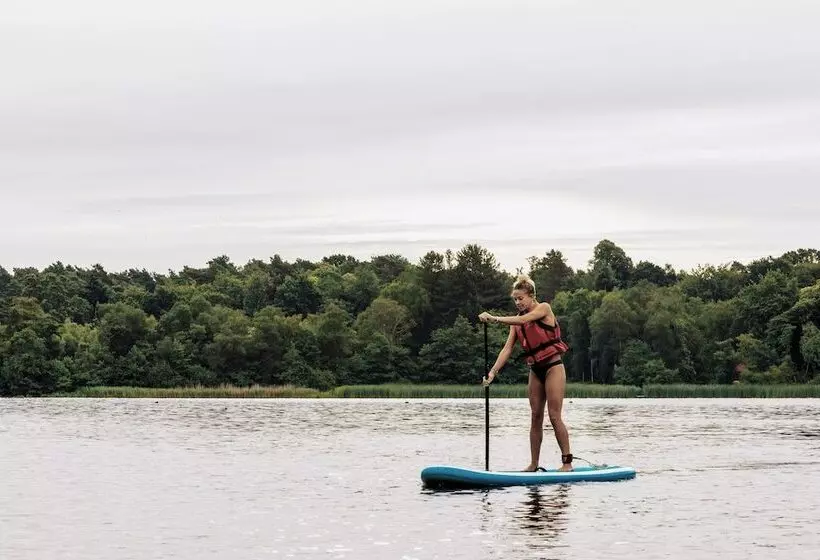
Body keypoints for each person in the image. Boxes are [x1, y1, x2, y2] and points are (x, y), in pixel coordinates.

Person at [478, 275, 573, 472]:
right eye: (515, 299)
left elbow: (526, 319)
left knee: (554, 416)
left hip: (553, 367)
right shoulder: (516, 323)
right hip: (535, 370)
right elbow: (507, 349)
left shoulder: (543, 308)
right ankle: (533, 464)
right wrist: (493, 372)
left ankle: (567, 463)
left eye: (521, 298)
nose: (518, 302)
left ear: (531, 296)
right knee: (535, 416)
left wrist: (494, 318)